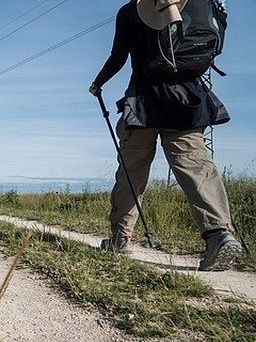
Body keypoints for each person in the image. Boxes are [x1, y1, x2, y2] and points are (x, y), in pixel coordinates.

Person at [89, 0, 242, 271]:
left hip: (144, 101)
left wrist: (98, 83)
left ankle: (120, 237)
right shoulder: (200, 3)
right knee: (196, 167)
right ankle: (219, 233)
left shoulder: (130, 11)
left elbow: (118, 56)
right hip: (186, 99)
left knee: (131, 172)